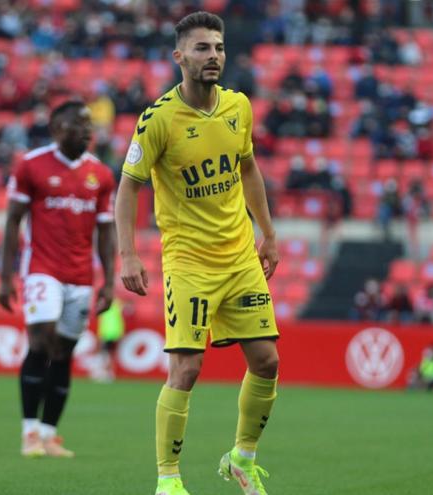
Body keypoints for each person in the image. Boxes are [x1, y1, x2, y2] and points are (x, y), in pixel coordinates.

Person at [114, 12, 279, 495]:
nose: (214, 56)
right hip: (189, 261)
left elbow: (248, 169)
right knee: (186, 366)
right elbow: (128, 190)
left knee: (267, 361)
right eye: (203, 48)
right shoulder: (158, 119)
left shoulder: (238, 107)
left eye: (219, 47)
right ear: (179, 57)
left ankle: (242, 458)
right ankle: (168, 479)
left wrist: (267, 232)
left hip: (240, 256)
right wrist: (128, 254)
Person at [0, 101, 116, 459]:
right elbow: (13, 221)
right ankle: (28, 432)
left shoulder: (102, 175)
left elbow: (106, 232)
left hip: (80, 277)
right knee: (41, 341)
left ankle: (49, 435)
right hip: (41, 269)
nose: (85, 130)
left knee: (64, 352)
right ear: (56, 129)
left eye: (88, 124)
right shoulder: (31, 165)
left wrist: (109, 282)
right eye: (77, 124)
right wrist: (5, 278)